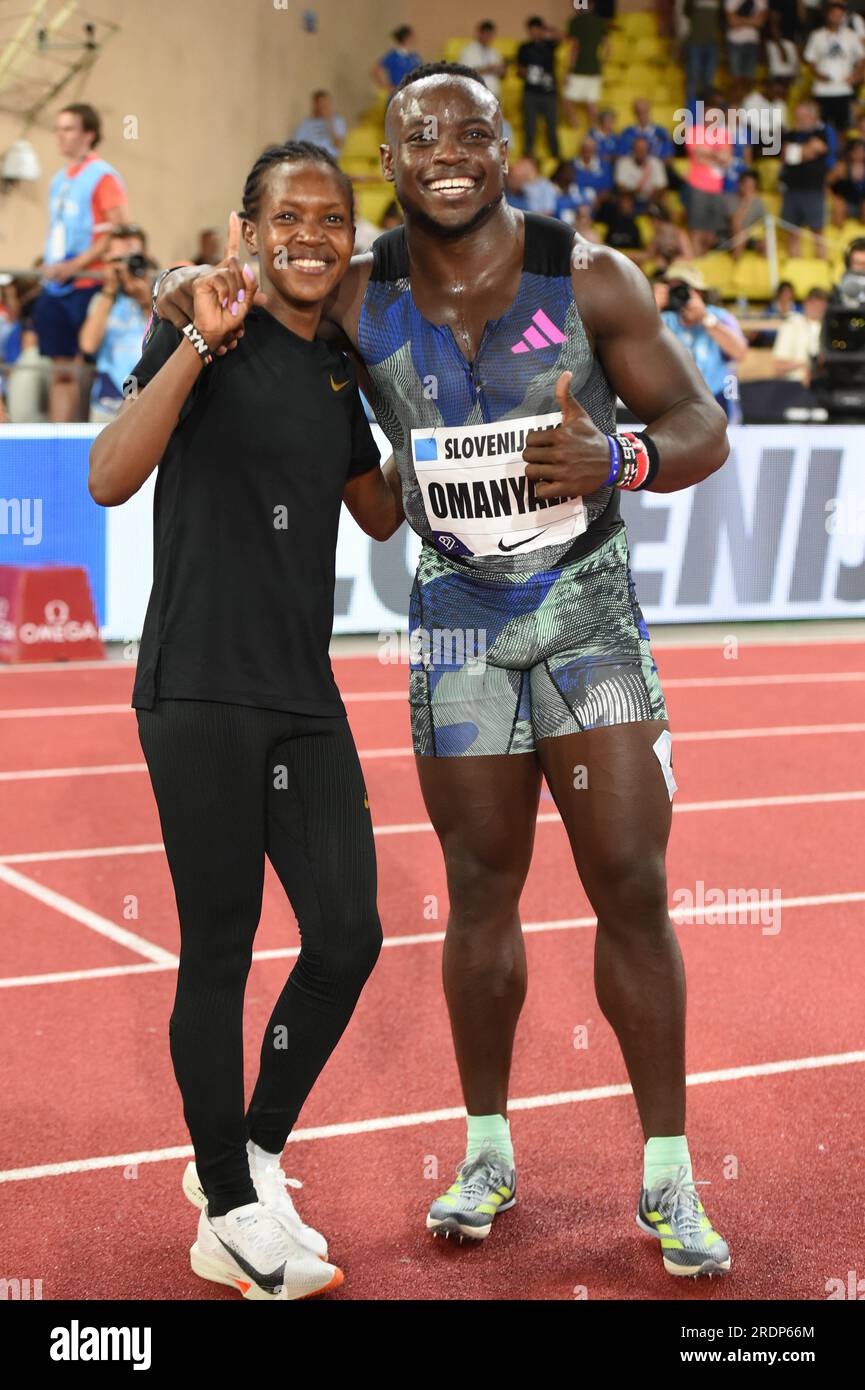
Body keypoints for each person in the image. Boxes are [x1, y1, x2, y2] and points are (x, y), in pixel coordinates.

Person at [155, 62, 733, 1280]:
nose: (448, 153)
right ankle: (485, 1150)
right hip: (458, 626)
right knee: (479, 890)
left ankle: (670, 1172)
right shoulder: (357, 294)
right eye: (424, 136)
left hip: (587, 616)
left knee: (629, 879)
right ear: (393, 162)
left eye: (471, 132)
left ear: (504, 151)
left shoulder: (590, 276)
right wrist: (166, 283)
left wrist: (621, 456)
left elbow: (701, 424)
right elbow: (233, 290)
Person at [89, 143, 404, 1301]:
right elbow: (110, 477)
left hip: (303, 696)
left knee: (347, 934)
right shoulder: (203, 332)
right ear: (248, 229)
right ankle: (225, 1206)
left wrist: (405, 390)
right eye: (289, 216)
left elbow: (377, 518)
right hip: (201, 689)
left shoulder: (338, 366)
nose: (311, 235)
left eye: (332, 219)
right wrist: (192, 340)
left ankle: (251, 1148)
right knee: (219, 948)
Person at [32, 103, 129, 423]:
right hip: (57, 286)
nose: (60, 135)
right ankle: (59, 445)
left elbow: (120, 229)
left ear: (89, 134)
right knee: (61, 371)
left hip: (90, 285)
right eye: (58, 128)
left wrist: (76, 266)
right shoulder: (58, 180)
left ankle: (85, 450)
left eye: (68, 128)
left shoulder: (103, 177)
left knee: (83, 370)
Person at [79, 225, 156, 422]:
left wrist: (147, 302)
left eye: (132, 259)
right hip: (110, 396)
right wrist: (110, 290)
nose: (125, 267)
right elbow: (88, 345)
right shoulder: (101, 300)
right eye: (117, 260)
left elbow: (163, 344)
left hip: (151, 393)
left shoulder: (160, 295)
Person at [661, 263, 747, 415]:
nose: (677, 294)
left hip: (715, 399)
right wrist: (652, 305)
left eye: (683, 288)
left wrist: (705, 318)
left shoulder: (720, 317)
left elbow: (740, 353)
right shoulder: (663, 319)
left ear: (698, 292)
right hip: (673, 401)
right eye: (672, 288)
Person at [804, 1, 865, 132]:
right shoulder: (817, 35)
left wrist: (856, 75)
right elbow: (810, 60)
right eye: (834, 14)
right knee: (820, 127)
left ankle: (839, 152)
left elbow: (862, 58)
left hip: (844, 89)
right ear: (827, 15)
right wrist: (818, 74)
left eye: (840, 15)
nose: (837, 17)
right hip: (822, 90)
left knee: (843, 128)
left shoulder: (851, 35)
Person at [780, 101, 830, 257]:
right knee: (792, 232)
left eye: (803, 116)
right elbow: (785, 155)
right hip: (791, 190)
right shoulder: (789, 134)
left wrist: (796, 152)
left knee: (818, 232)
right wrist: (806, 151)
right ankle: (794, 269)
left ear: (812, 117)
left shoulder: (822, 133)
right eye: (797, 116)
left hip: (813, 190)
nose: (799, 119)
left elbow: (815, 149)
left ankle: (823, 269)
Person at [517, 15, 563, 161]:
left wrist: (549, 28)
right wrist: (528, 73)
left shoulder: (550, 45)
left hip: (549, 93)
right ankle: (528, 155)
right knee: (529, 126)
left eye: (538, 29)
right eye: (532, 29)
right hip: (530, 92)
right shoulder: (524, 47)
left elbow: (563, 37)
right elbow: (519, 69)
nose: (535, 32)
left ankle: (556, 156)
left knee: (552, 126)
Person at [563, 0, 609, 127]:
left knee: (567, 101)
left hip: (579, 68)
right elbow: (607, 47)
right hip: (595, 69)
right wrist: (602, 63)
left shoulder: (575, 22)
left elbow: (574, 47)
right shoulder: (600, 22)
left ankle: (576, 127)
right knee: (592, 105)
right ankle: (595, 132)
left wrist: (569, 70)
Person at [772, 285, 828, 380]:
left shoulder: (829, 327)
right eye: (815, 305)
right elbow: (778, 365)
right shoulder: (792, 324)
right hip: (795, 384)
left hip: (824, 383)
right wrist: (803, 365)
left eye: (821, 307)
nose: (818, 309)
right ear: (806, 303)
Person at [724, 0, 768, 101]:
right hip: (734, 42)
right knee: (736, 81)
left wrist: (740, 20)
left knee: (749, 81)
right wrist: (752, 21)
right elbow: (732, 22)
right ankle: (733, 109)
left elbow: (760, 23)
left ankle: (747, 109)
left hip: (753, 43)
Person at [614, 135, 668, 213]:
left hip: (651, 197)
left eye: (643, 149)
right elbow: (621, 187)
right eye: (637, 149)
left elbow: (662, 186)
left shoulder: (656, 163)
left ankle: (663, 222)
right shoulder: (623, 163)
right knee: (625, 201)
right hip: (631, 196)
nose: (640, 152)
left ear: (648, 150)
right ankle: (629, 223)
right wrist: (636, 192)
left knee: (664, 199)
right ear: (633, 149)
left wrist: (651, 195)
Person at [683, 0, 722, 104]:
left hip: (712, 42)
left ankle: (705, 111)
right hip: (695, 41)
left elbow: (722, 18)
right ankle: (692, 113)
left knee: (709, 79)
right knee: (693, 78)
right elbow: (686, 12)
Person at [292, 90, 346, 159]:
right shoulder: (306, 123)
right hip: (310, 158)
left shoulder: (337, 121)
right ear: (315, 105)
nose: (322, 107)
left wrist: (329, 121)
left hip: (330, 158)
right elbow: (296, 144)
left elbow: (338, 145)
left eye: (325, 104)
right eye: (320, 104)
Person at [459, 20, 506, 98]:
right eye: (486, 34)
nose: (489, 37)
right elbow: (465, 73)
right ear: (479, 33)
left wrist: (502, 71)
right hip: (475, 95)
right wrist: (488, 69)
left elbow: (502, 76)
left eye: (491, 35)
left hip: (494, 93)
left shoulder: (495, 52)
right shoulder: (468, 51)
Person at [372, 25, 422, 92]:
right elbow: (374, 70)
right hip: (398, 95)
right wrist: (386, 87)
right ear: (406, 38)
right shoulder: (394, 56)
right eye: (412, 36)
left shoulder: (415, 56)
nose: (414, 38)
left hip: (413, 93)